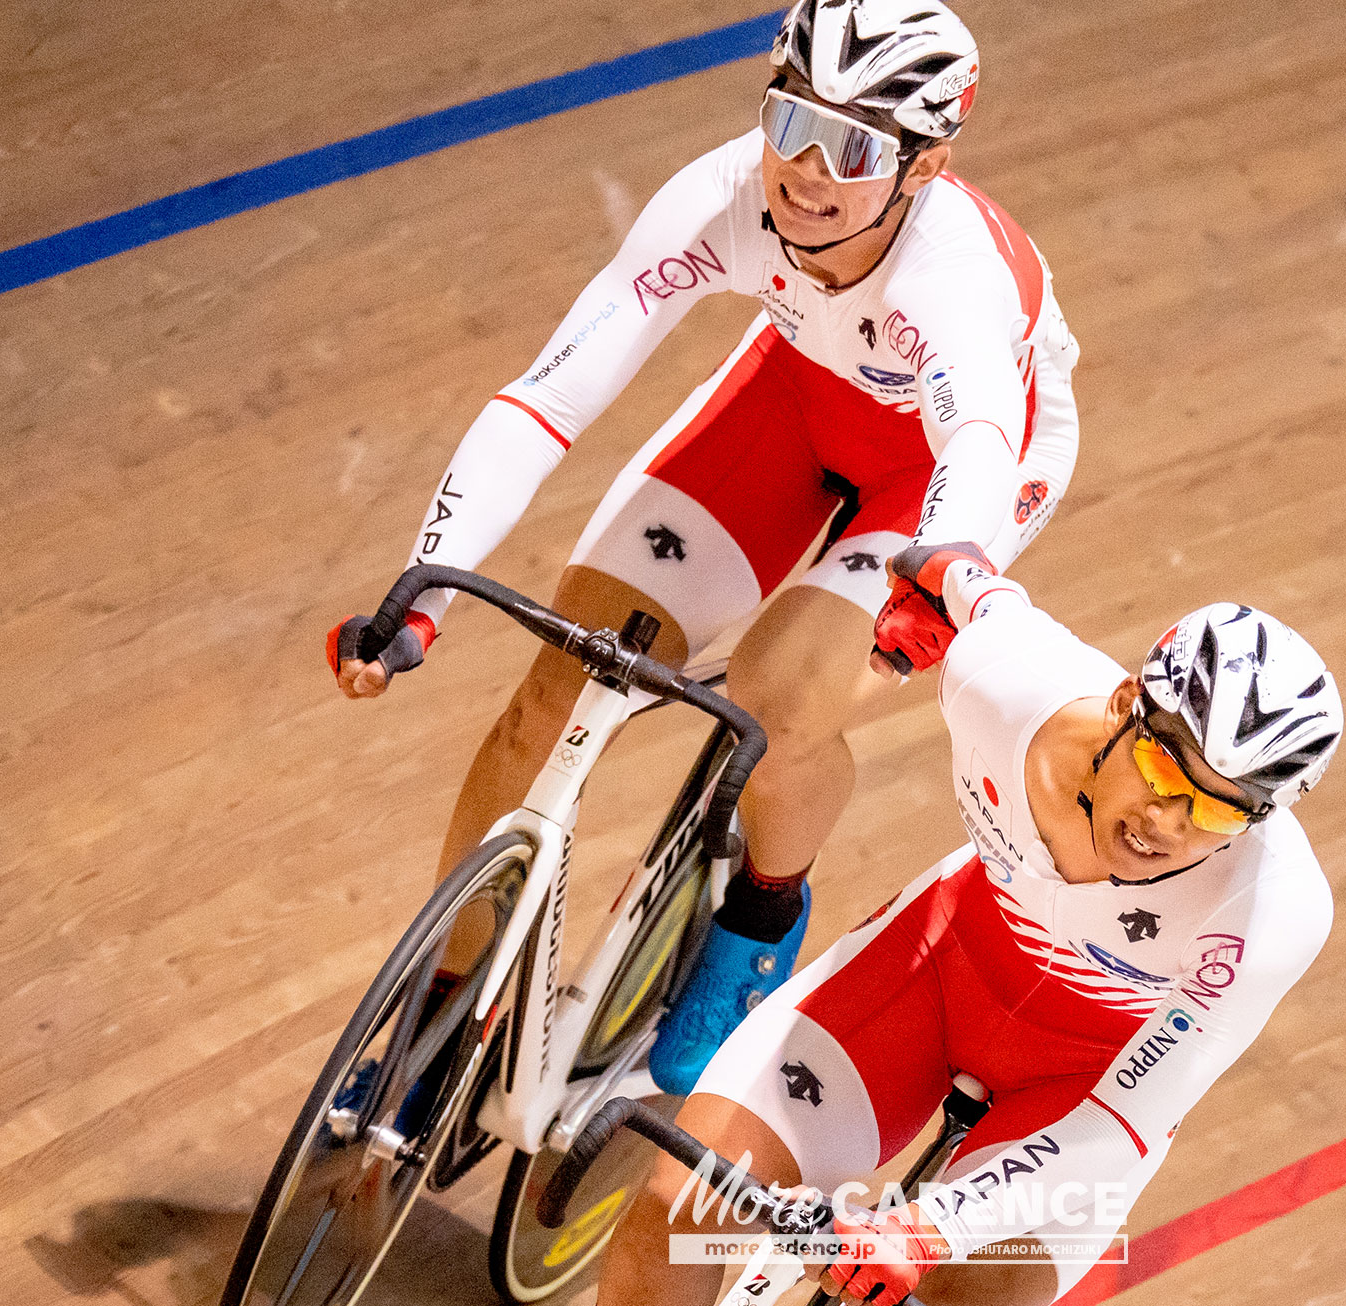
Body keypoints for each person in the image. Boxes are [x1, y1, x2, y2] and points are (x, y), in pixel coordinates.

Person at [325, 0, 1081, 1092]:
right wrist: (424, 587)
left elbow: (972, 440)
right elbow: (550, 395)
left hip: (954, 471)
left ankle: (758, 921)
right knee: (557, 683)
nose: (808, 170)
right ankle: (443, 1004)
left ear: (924, 167)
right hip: (796, 393)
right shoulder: (723, 194)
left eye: (855, 146)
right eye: (790, 120)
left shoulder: (950, 275)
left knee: (782, 698)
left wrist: (945, 572)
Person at [595, 546, 1344, 1305]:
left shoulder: (1273, 908)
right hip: (939, 970)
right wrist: (934, 571)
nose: (1166, 820)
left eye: (1217, 809)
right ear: (1123, 704)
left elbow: (1126, 1119)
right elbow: (955, 567)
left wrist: (926, 1231)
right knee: (681, 1205)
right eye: (1162, 771)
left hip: (1089, 1089)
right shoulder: (1006, 678)